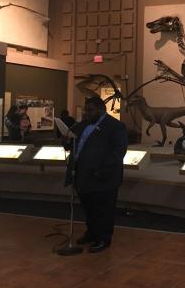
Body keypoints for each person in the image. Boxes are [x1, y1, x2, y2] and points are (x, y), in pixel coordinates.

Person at [63, 96, 128, 253]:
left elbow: (118, 151)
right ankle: (91, 233)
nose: (87, 113)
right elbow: (74, 141)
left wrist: (103, 171)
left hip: (102, 177)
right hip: (83, 175)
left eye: (90, 110)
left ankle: (103, 238)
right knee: (89, 208)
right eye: (86, 110)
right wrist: (66, 141)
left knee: (103, 210)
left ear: (100, 109)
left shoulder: (115, 126)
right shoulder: (83, 124)